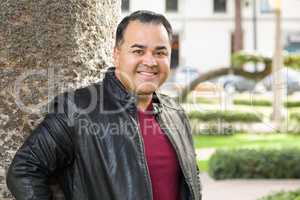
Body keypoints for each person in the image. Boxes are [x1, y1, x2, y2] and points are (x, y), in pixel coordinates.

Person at [6, 10, 202, 200]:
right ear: (116, 55)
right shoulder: (76, 108)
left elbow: (192, 180)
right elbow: (24, 170)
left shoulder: (175, 112)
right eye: (138, 51)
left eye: (160, 52)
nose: (150, 61)